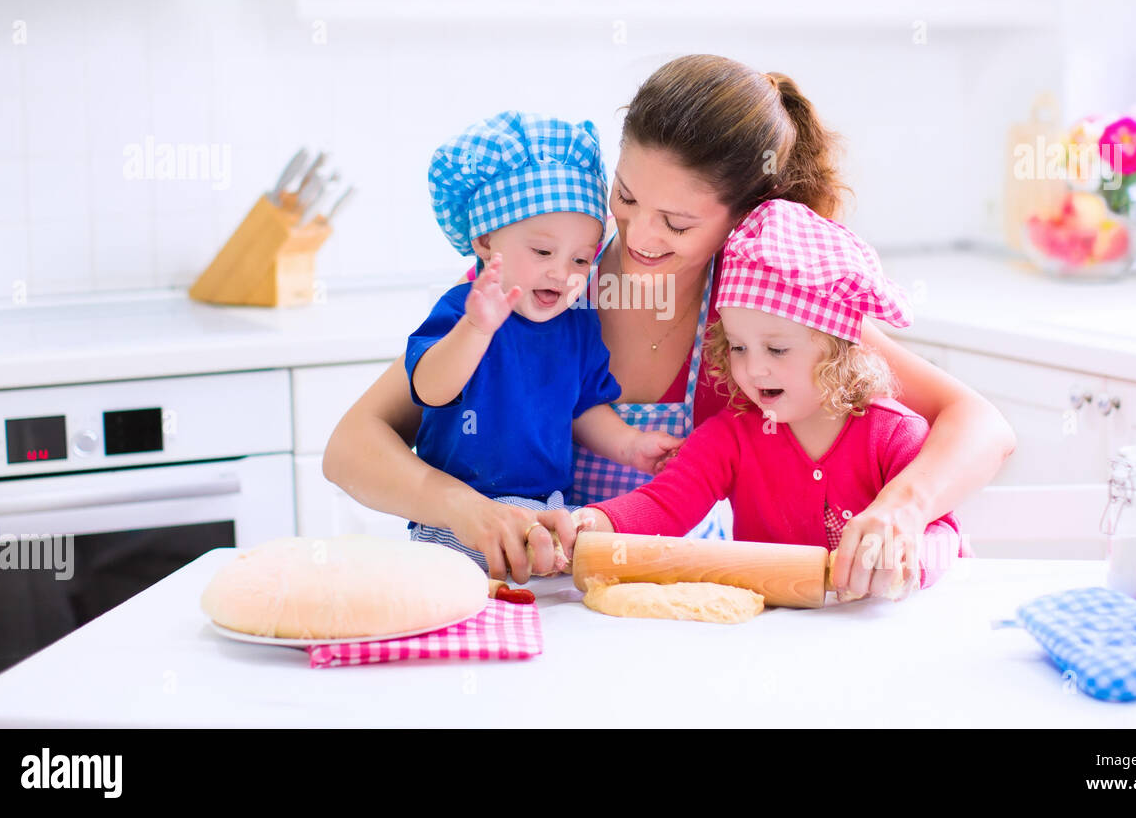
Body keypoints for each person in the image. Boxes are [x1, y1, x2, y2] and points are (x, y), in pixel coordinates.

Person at [323, 54, 1016, 591]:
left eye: (677, 222)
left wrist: (902, 507)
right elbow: (351, 446)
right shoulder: (543, 281)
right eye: (626, 197)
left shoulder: (762, 312)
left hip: (685, 617)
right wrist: (463, 509)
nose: (639, 234)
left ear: (742, 217)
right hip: (537, 609)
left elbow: (982, 425)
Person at [575, 198, 971, 599]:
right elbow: (663, 505)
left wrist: (907, 560)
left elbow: (943, 533)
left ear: (837, 349)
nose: (753, 369)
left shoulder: (893, 435)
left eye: (777, 350)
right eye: (738, 347)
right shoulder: (729, 437)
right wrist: (590, 526)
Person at [404, 110, 683, 571]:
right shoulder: (463, 308)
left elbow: (585, 408)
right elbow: (432, 390)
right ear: (486, 240)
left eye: (580, 259)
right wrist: (476, 329)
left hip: (546, 509)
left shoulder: (576, 323)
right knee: (461, 607)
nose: (562, 272)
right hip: (462, 518)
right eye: (542, 252)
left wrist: (629, 444)